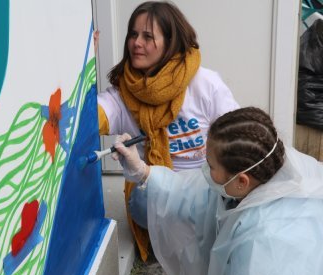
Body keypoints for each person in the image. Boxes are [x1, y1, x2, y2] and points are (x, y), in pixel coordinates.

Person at [111, 106, 323, 275]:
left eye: (211, 166)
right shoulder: (264, 170)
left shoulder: (267, 244)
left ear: (241, 181)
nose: (205, 170)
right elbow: (192, 194)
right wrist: (142, 170)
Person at [97, 1, 239, 261]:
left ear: (171, 42)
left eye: (147, 36)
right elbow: (94, 117)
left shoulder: (205, 84)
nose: (136, 43)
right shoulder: (122, 92)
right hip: (153, 190)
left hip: (206, 189)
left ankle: (197, 241)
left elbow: (238, 137)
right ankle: (185, 243)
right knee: (145, 201)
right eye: (133, 34)